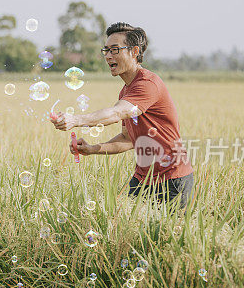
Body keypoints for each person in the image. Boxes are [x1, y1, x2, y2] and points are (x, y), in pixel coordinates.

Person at [51, 22, 194, 211]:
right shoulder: (126, 90)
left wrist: (75, 120)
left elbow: (117, 112)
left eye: (115, 50)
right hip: (142, 179)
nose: (108, 56)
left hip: (171, 180)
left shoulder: (147, 84)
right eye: (106, 50)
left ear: (135, 51)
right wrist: (92, 149)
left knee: (165, 238)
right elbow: (128, 139)